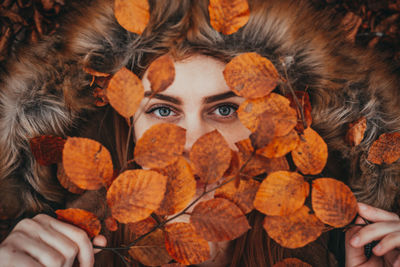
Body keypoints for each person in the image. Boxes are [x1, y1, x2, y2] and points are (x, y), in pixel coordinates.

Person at [0, 0, 400, 266]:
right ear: (128, 123)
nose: (192, 144)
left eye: (225, 109)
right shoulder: (68, 249)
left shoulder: (340, 247)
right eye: (162, 109)